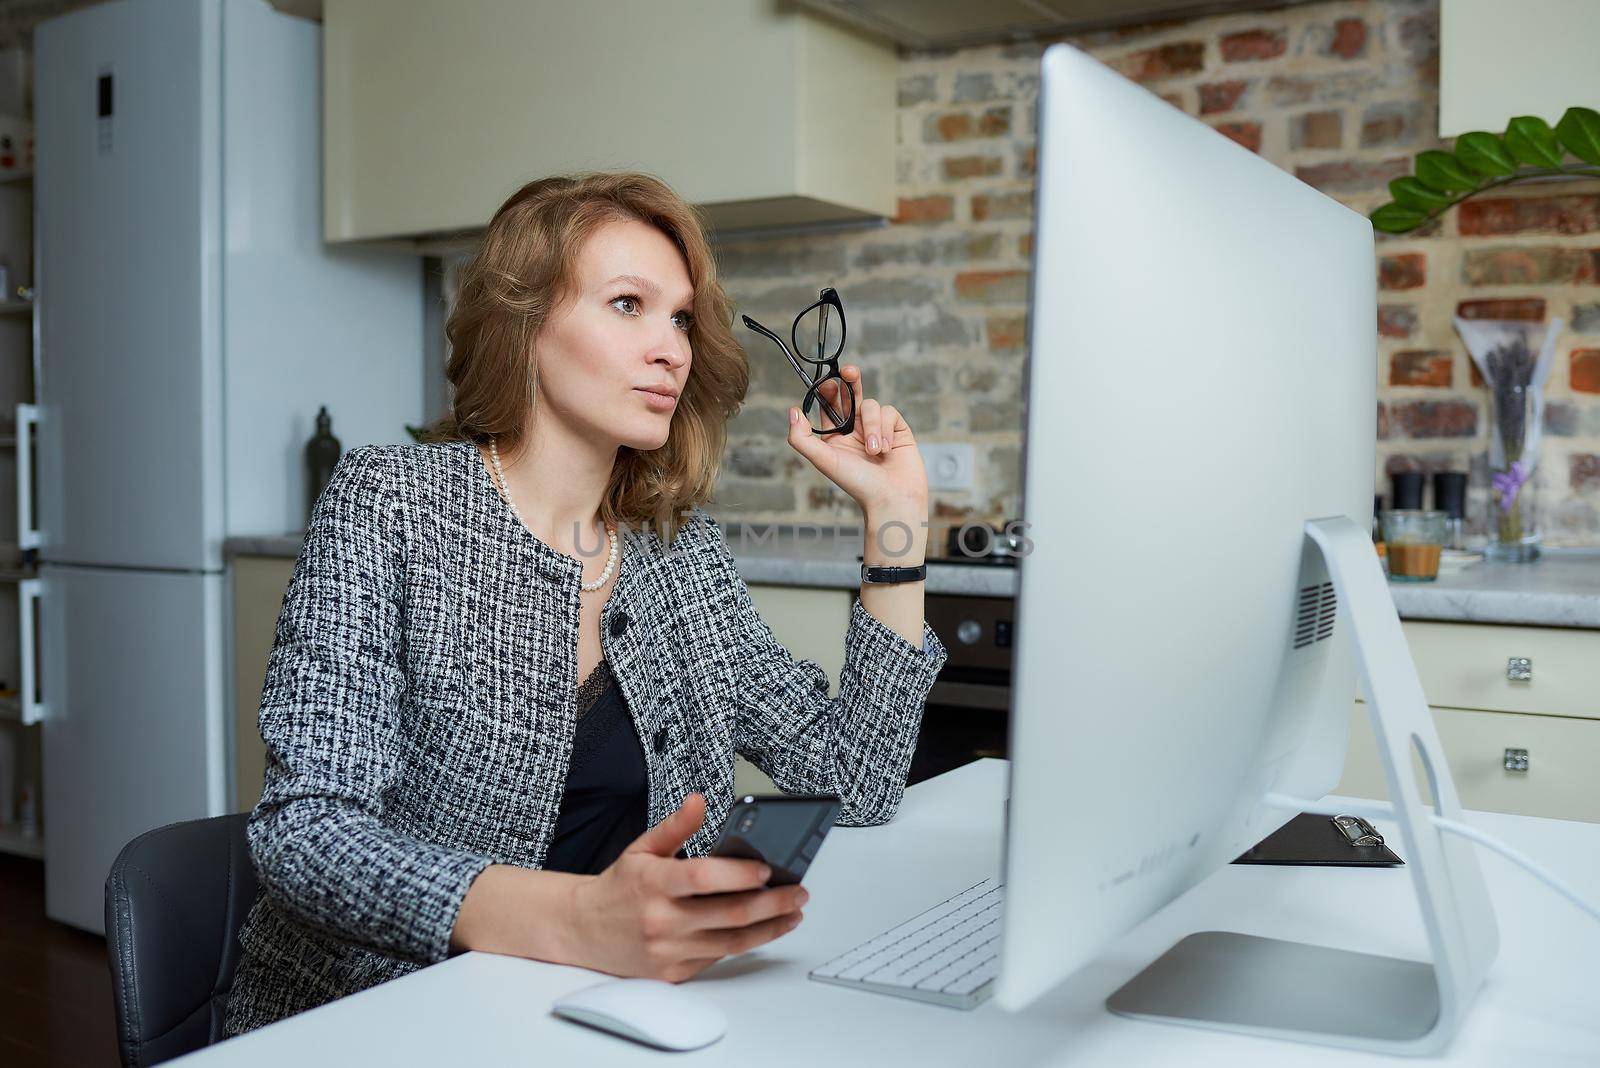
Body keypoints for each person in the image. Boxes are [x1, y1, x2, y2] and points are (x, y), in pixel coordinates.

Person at [223, 171, 949, 1036]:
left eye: (681, 318)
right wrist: (580, 921)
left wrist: (895, 522)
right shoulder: (394, 503)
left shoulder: (679, 551)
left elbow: (852, 779)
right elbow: (307, 833)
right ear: (524, 324)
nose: (672, 347)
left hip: (593, 1016)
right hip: (387, 1019)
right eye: (628, 304)